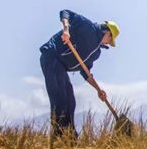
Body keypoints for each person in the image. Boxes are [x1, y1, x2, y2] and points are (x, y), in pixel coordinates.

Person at [39, 9, 120, 137]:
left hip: (61, 66)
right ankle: (59, 134)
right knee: (60, 96)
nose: (108, 43)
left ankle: (70, 135)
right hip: (51, 56)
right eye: (110, 40)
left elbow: (86, 72)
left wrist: (98, 90)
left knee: (70, 100)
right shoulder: (88, 28)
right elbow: (65, 13)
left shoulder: (96, 52)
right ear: (107, 32)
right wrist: (66, 30)